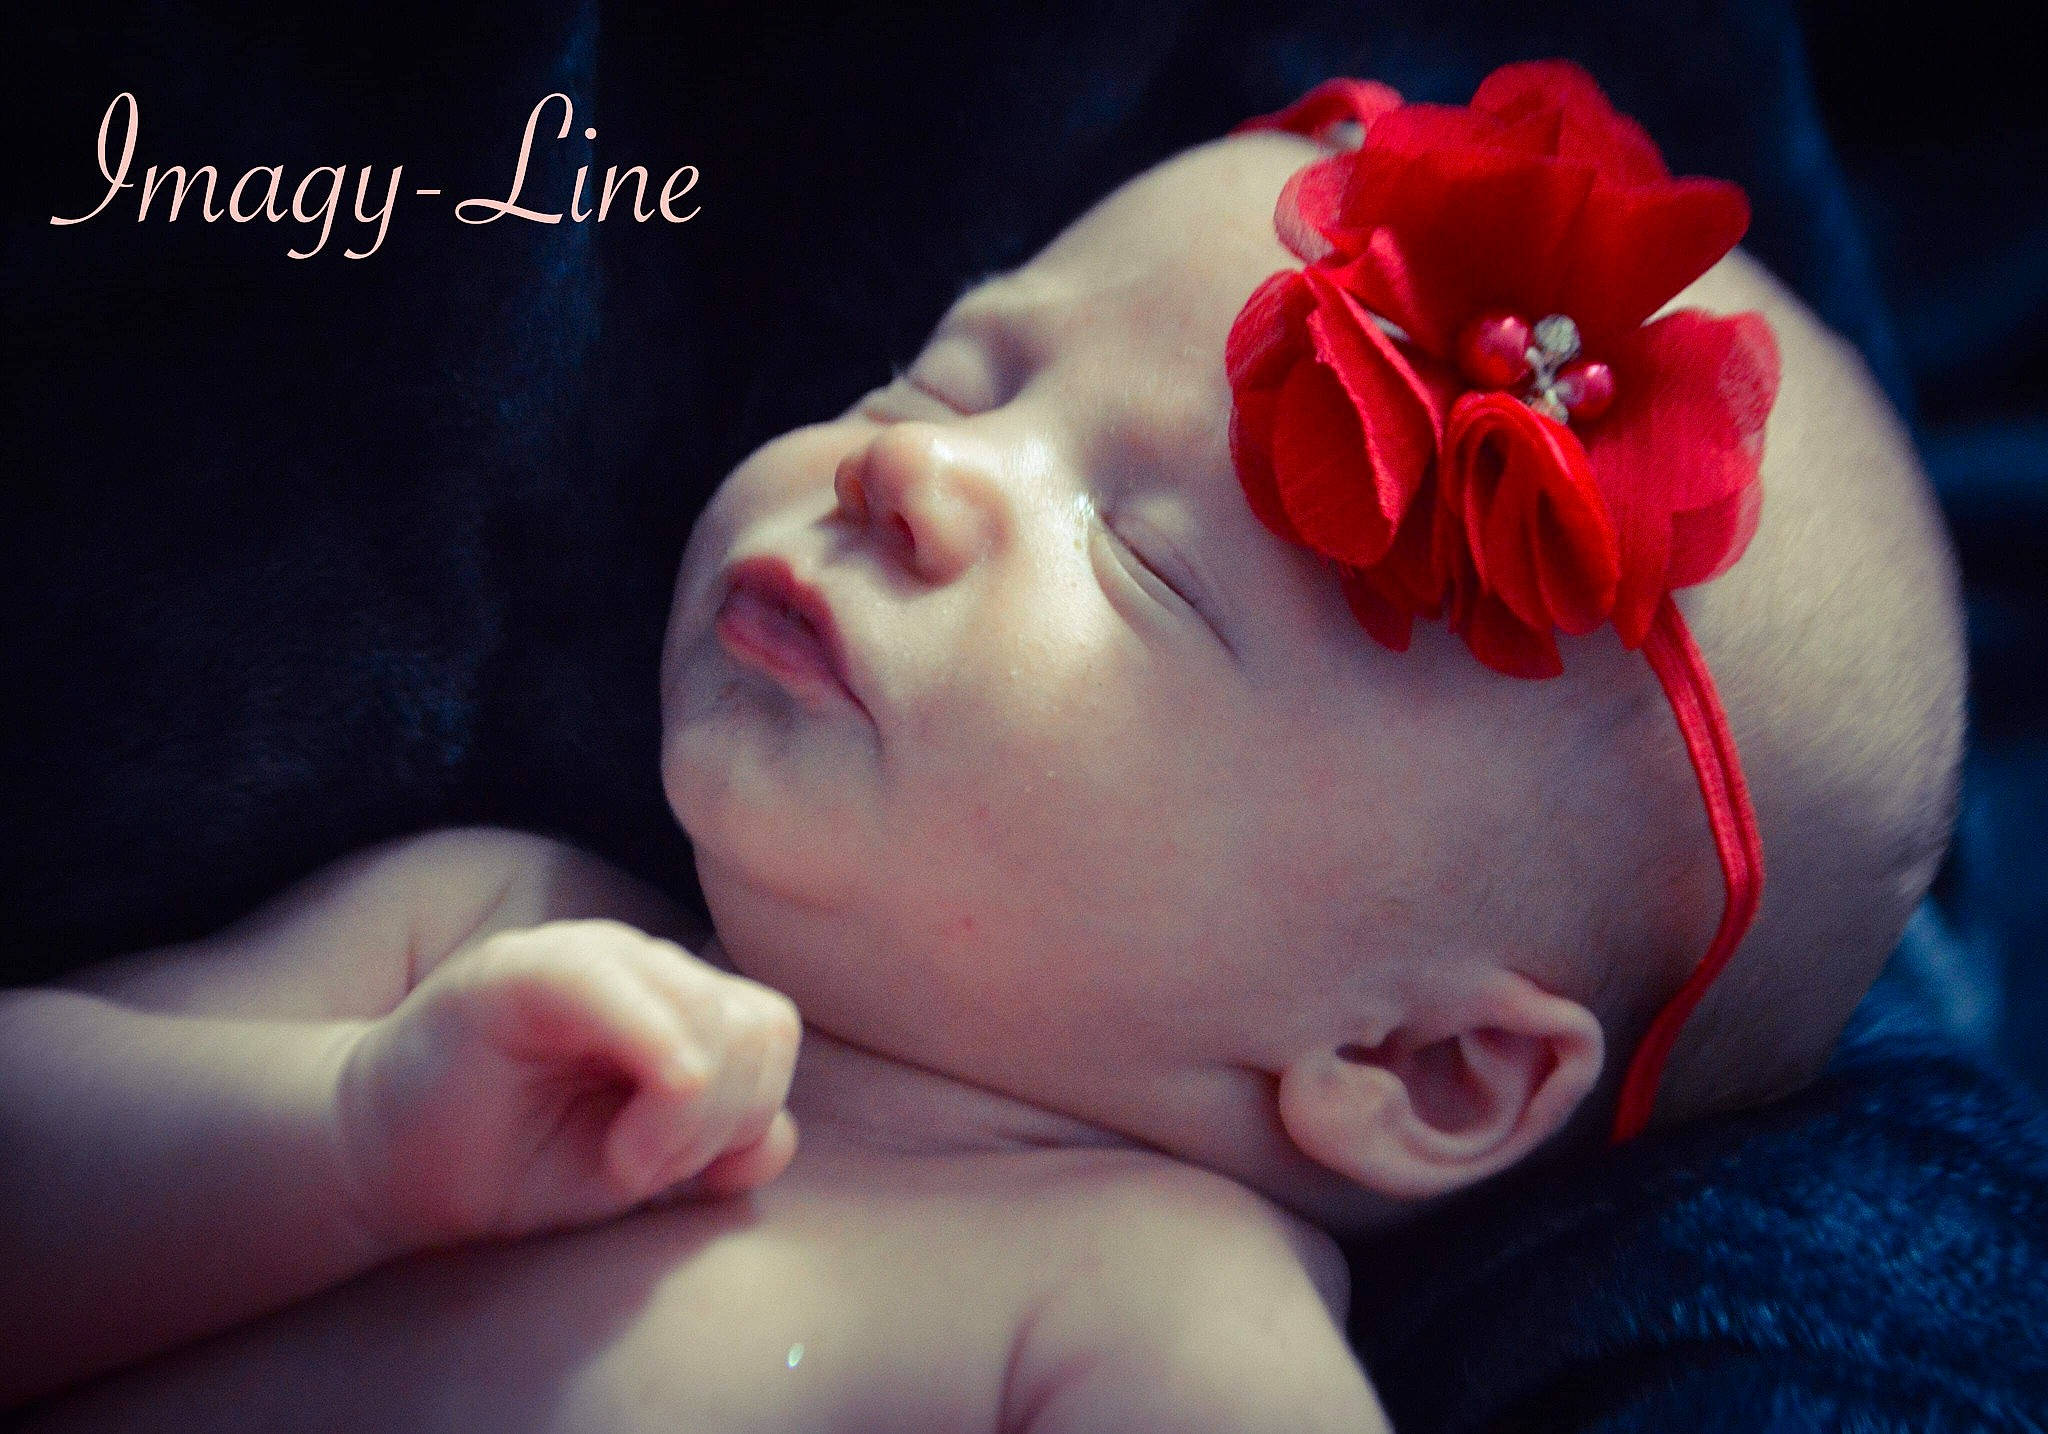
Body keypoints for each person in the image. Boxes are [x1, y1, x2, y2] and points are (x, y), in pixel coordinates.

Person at [2, 64, 1963, 1432]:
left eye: (1139, 564)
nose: (915, 468)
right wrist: (340, 1143)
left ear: (1416, 1064)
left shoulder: (1141, 1316)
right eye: (955, 369)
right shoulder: (491, 930)